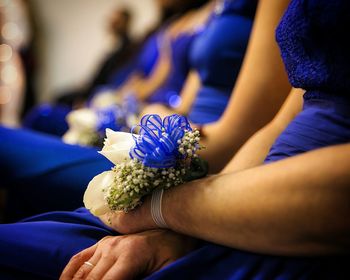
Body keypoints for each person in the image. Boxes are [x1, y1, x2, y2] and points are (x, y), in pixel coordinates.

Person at [1, 0, 350, 279]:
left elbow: (234, 132)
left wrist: (163, 206)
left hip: (284, 201)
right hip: (233, 182)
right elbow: (276, 125)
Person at [0, 0, 257, 221]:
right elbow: (185, 101)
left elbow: (237, 131)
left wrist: (157, 120)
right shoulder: (212, 14)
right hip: (171, 132)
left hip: (195, 151)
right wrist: (146, 111)